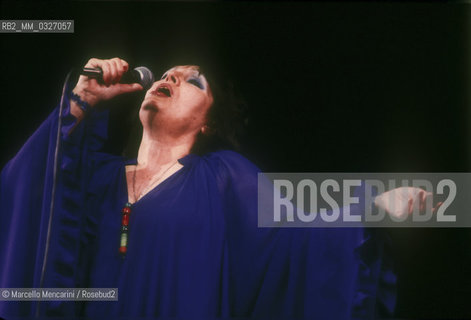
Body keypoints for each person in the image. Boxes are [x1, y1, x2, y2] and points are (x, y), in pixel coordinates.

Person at [0, 57, 401, 319]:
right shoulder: (95, 177)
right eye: (167, 72)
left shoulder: (223, 177)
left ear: (209, 122)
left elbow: (298, 227)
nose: (171, 76)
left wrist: (372, 203)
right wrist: (81, 100)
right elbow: (23, 193)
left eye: (193, 80)